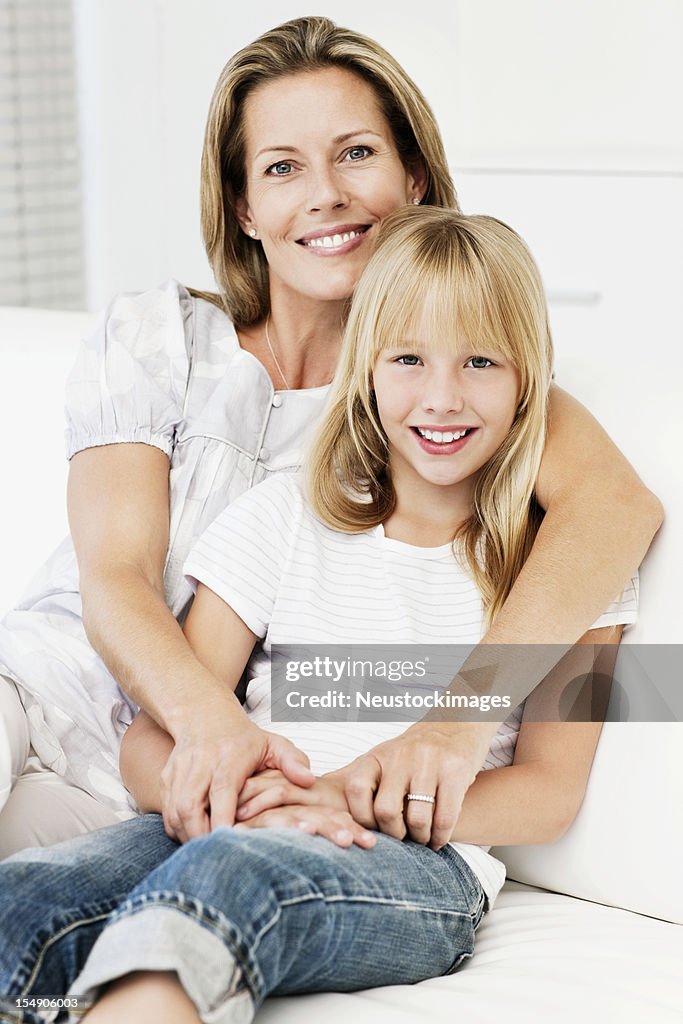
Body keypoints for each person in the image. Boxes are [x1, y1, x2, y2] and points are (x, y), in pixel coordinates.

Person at [0, 15, 659, 858]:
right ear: (244, 207)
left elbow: (613, 508)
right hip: (55, 705)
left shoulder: (436, 398)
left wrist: (454, 727)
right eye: (282, 168)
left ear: (413, 177)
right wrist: (212, 731)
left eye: (356, 154)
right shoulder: (156, 337)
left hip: (173, 799)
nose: (326, 195)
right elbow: (117, 577)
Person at [0, 206, 638, 1024]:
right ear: (366, 368)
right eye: (408, 359)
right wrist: (225, 795)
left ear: (531, 381)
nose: (441, 398)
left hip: (411, 862)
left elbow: (547, 794)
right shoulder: (281, 518)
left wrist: (343, 799)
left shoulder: (564, 569)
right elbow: (151, 738)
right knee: (28, 894)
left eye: (480, 361)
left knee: (223, 882)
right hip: (226, 822)